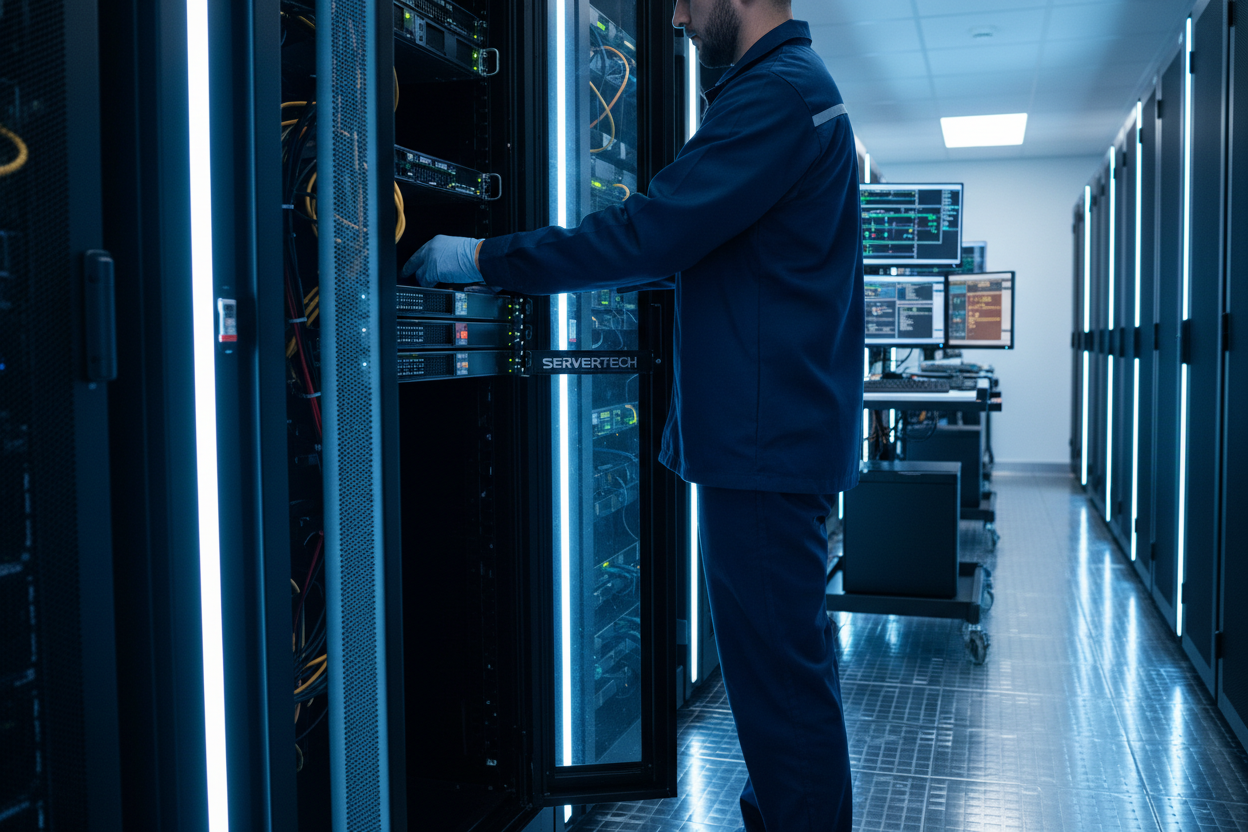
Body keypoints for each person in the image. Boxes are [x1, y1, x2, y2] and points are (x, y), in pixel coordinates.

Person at [405, 0, 862, 828]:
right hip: (772, 443)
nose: (679, 16)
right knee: (783, 685)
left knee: (783, 698)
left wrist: (481, 256)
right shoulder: (790, 90)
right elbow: (709, 256)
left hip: (762, 451)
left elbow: (651, 234)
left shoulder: (777, 96)